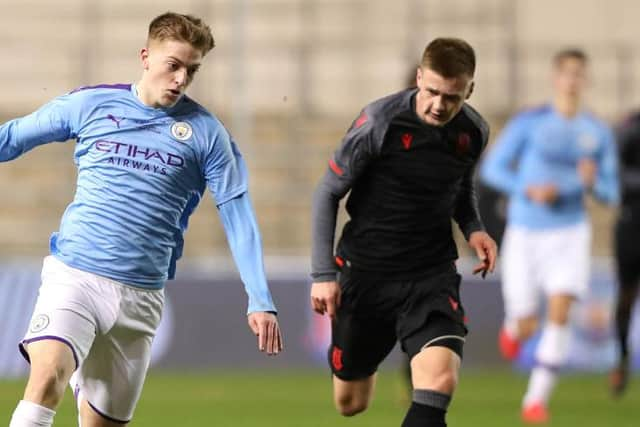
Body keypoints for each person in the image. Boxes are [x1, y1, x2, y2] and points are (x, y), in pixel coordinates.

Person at [4, 12, 283, 427]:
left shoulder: (207, 135)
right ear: (146, 57)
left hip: (141, 298)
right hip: (75, 275)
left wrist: (259, 297)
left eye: (192, 70)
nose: (181, 79)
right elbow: (11, 138)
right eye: (173, 65)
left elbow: (238, 215)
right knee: (46, 379)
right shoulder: (92, 104)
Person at [310, 38, 497, 427]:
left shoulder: (473, 131)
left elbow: (461, 188)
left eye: (452, 97)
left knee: (439, 382)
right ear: (418, 79)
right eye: (431, 92)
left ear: (469, 90)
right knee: (350, 402)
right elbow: (328, 191)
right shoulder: (380, 122)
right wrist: (324, 275)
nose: (439, 105)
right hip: (366, 275)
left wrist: (474, 228)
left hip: (430, 276)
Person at [480, 49, 618, 423]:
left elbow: (610, 192)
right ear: (555, 78)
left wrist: (592, 184)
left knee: (560, 311)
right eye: (567, 73)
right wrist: (527, 189)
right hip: (526, 231)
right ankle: (515, 328)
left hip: (570, 231)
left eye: (579, 74)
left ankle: (535, 401)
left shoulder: (597, 132)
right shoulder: (531, 122)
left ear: (585, 80)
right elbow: (492, 169)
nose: (572, 81)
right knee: (526, 324)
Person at [609, 110, 640, 397]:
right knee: (626, 298)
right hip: (632, 226)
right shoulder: (631, 126)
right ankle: (621, 360)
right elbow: (615, 174)